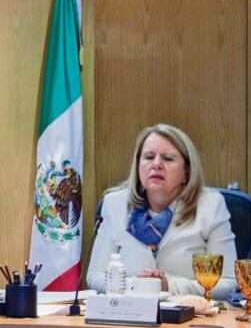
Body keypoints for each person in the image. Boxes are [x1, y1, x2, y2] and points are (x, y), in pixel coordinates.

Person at [85, 124, 237, 300]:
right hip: (130, 314)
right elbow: (95, 276)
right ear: (138, 166)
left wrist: (168, 286)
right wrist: (137, 286)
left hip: (188, 318)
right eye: (149, 157)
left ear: (186, 172)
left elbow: (228, 282)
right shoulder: (114, 204)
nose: (156, 164)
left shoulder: (210, 205)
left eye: (168, 158)